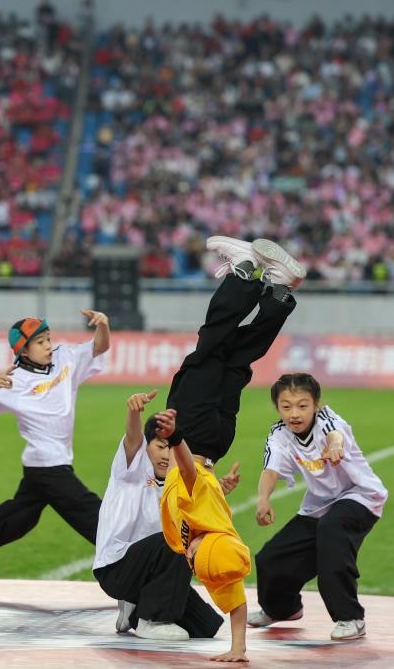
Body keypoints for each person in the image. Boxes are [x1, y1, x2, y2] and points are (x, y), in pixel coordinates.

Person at [158, 235, 307, 662]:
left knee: (232, 358)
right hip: (195, 437)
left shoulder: (219, 546)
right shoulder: (191, 530)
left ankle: (278, 293)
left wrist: (238, 650)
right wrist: (175, 437)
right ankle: (243, 273)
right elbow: (188, 474)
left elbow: (236, 604)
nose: (190, 560)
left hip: (218, 442)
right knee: (207, 349)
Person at [0, 310, 110, 564]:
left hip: (49, 463)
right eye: (40, 342)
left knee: (18, 520)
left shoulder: (65, 358)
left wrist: (103, 325)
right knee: (89, 512)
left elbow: (99, 347)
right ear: (23, 351)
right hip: (47, 464)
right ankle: (129, 556)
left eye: (48, 339)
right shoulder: (13, 380)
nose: (48, 345)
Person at [249, 373, 388, 641]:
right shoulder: (279, 435)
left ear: (316, 404)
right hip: (320, 504)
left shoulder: (327, 421)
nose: (294, 413)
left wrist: (335, 447)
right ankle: (283, 609)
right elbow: (271, 469)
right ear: (277, 408)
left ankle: (351, 617)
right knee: (270, 557)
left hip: (361, 496)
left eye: (302, 405)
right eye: (286, 406)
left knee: (332, 530)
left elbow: (335, 435)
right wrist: (263, 499)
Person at [94, 390, 234, 641]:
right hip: (116, 568)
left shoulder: (177, 483)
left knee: (206, 627)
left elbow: (200, 517)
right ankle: (152, 620)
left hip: (149, 569)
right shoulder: (132, 468)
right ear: (146, 447)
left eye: (171, 449)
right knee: (175, 540)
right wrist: (134, 412)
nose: (166, 455)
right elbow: (133, 436)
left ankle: (133, 610)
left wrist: (217, 492)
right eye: (159, 446)